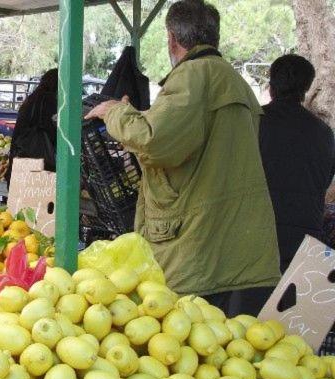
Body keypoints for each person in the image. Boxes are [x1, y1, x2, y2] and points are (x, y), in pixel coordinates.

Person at [85, 0, 280, 317]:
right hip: (232, 243)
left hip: (195, 242)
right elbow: (192, 136)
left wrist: (114, 112)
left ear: (172, 38)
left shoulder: (192, 76)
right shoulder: (233, 80)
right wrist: (137, 115)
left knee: (185, 337)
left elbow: (156, 141)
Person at [259, 54, 335, 272]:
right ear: (306, 88)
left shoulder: (253, 123)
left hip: (259, 236)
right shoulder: (324, 133)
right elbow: (324, 182)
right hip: (306, 240)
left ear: (271, 86)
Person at [5, 68, 58, 184]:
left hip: (20, 161)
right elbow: (52, 132)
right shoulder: (48, 100)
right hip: (37, 163)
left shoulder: (32, 98)